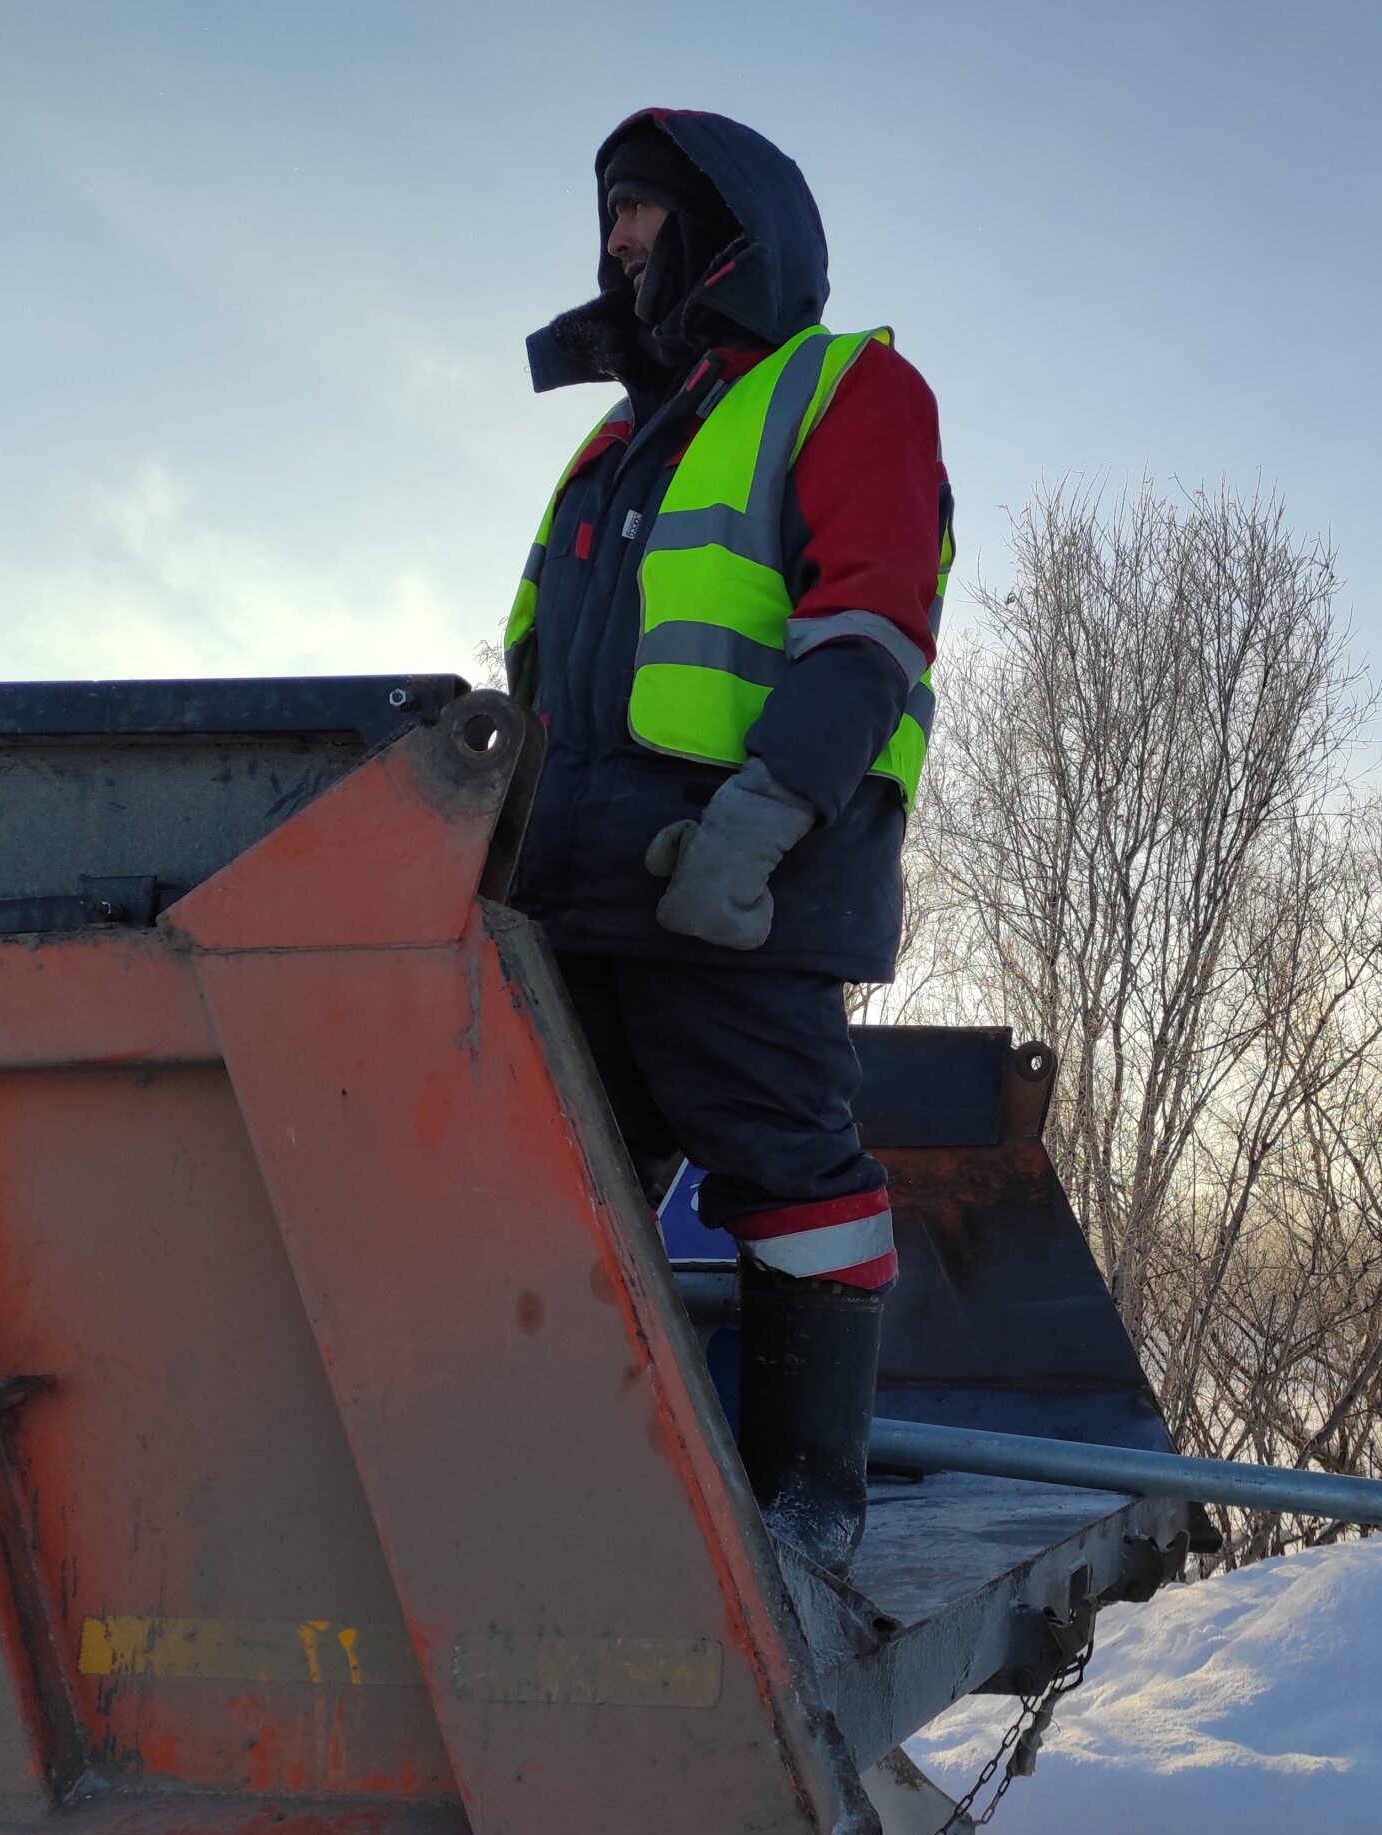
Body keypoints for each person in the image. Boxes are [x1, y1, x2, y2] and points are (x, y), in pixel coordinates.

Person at [503, 108, 950, 1576]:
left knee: (793, 1179)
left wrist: (755, 829)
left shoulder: (846, 392)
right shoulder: (609, 450)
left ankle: (809, 1504)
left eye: (638, 212)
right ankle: (572, 1490)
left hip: (736, 892)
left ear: (729, 224)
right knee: (557, 1190)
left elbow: (869, 633)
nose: (617, 243)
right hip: (574, 902)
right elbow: (525, 681)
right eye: (611, 220)